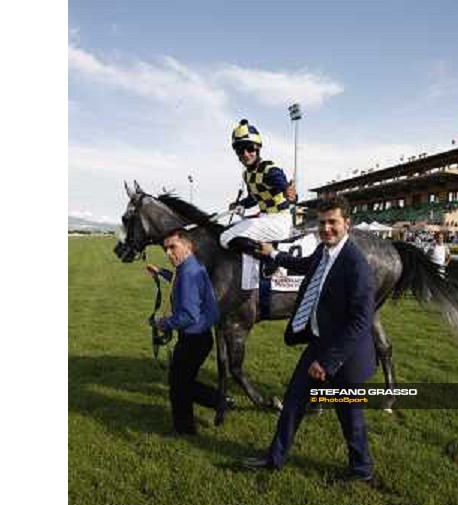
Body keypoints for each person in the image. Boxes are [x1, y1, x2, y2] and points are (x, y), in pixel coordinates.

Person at [241, 197, 379, 484]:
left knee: (349, 417)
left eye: (333, 223)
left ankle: (362, 470)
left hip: (345, 355)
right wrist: (274, 254)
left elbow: (361, 322)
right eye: (322, 222)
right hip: (319, 343)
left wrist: (328, 362)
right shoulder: (323, 251)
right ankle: (274, 458)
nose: (326, 228)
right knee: (293, 402)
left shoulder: (357, 266)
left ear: (347, 224)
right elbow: (303, 264)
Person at [147, 229, 228, 435]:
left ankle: (185, 431)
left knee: (178, 385)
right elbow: (178, 281)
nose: (168, 252)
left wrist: (162, 323)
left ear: (188, 246)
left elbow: (187, 316)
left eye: (173, 247)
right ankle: (220, 400)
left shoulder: (189, 274)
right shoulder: (190, 267)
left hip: (193, 338)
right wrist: (161, 272)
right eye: (166, 248)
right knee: (183, 381)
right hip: (200, 337)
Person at [219, 119, 296, 258]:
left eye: (250, 148)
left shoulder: (270, 170)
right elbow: (253, 199)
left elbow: (288, 192)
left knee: (225, 238)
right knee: (230, 229)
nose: (246, 154)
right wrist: (239, 204)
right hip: (264, 219)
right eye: (240, 150)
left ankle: (269, 259)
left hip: (279, 222)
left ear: (258, 148)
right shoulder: (247, 174)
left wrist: (290, 194)